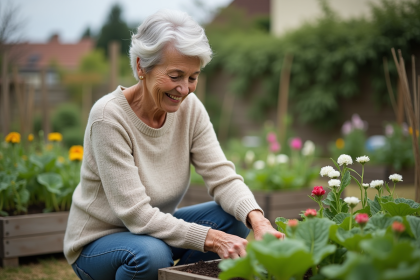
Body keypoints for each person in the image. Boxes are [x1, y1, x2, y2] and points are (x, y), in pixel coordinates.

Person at [64, 9, 283, 280]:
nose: (184, 89)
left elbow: (222, 177)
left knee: (236, 217)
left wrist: (258, 221)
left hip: (152, 233)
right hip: (100, 243)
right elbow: (137, 216)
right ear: (141, 66)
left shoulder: (190, 109)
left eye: (193, 77)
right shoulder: (108, 117)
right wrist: (214, 240)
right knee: (151, 255)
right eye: (175, 75)